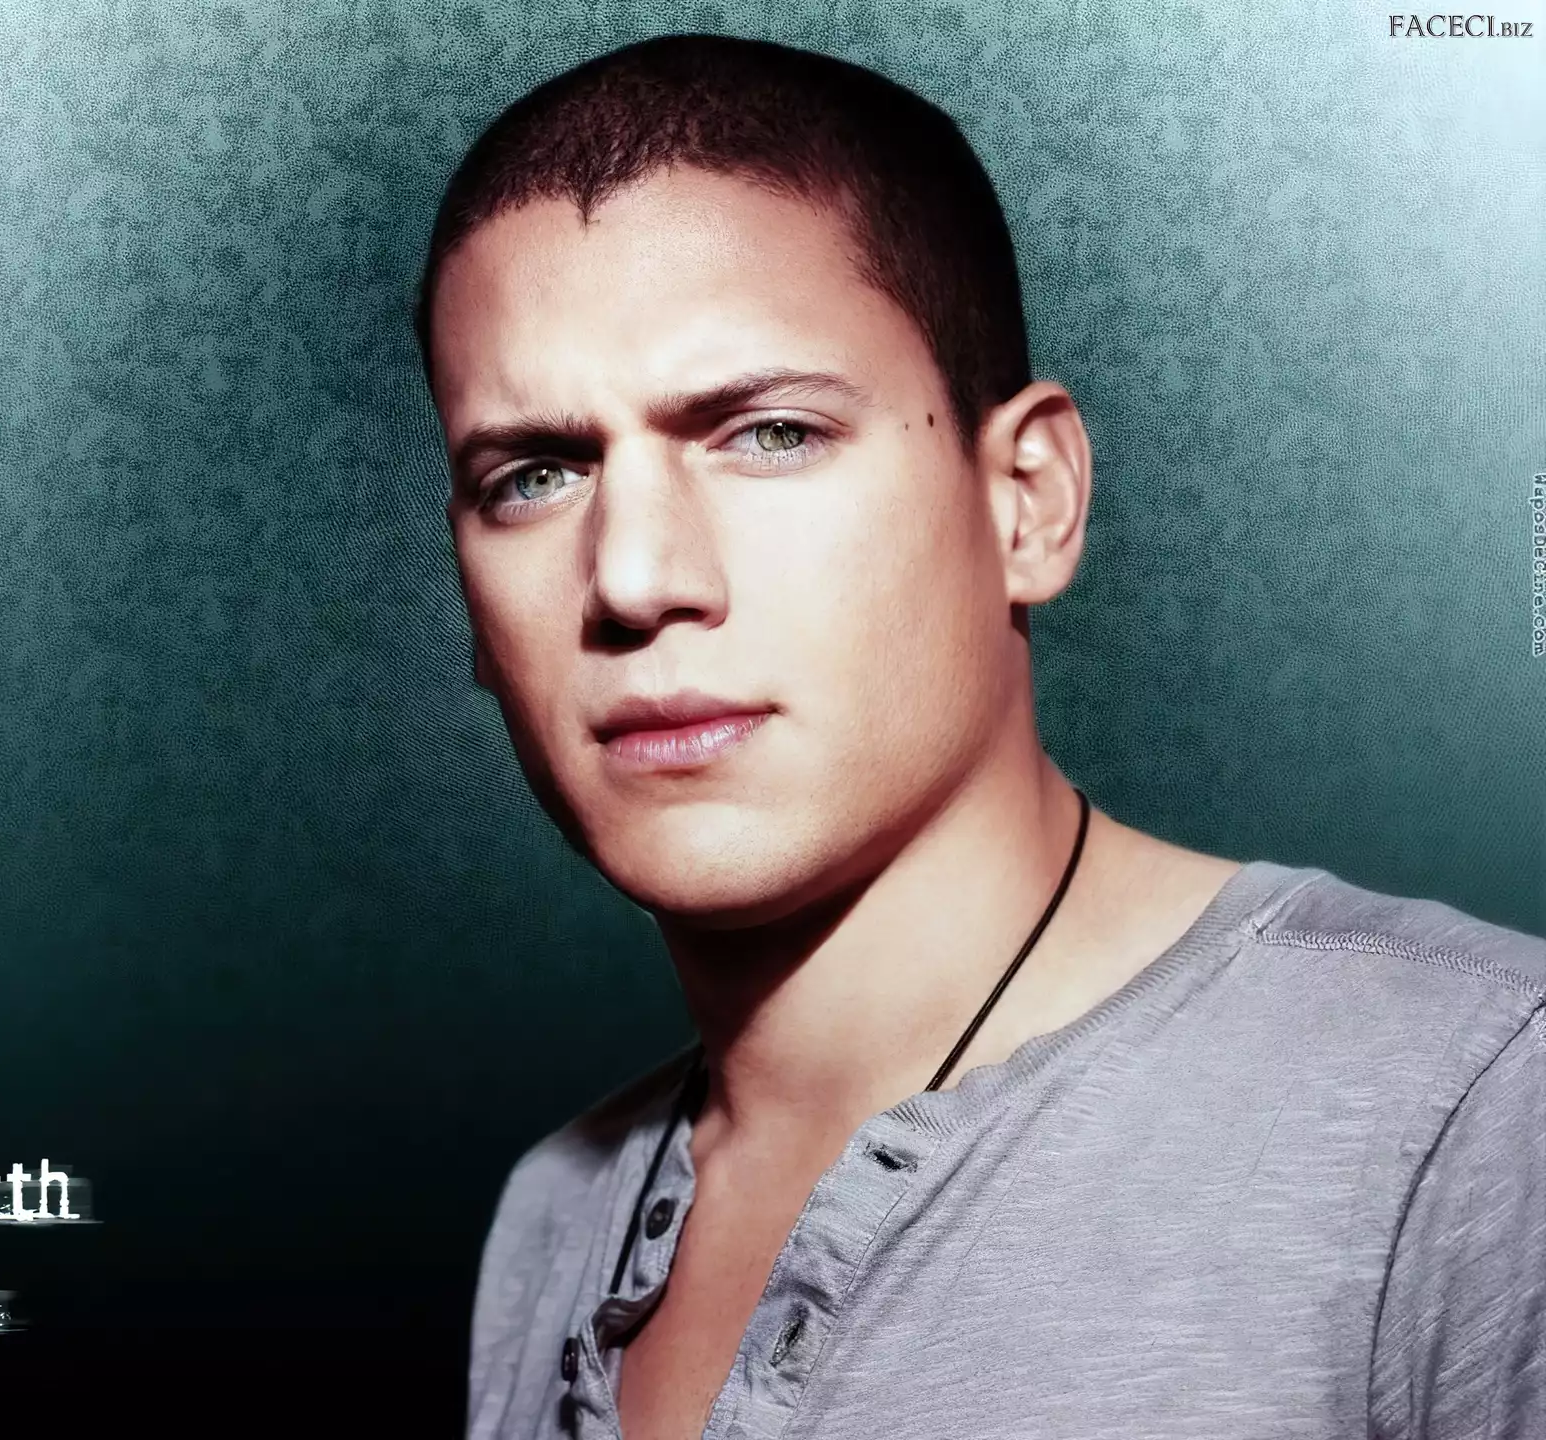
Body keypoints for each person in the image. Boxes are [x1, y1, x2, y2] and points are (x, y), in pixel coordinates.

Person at [411, 33, 1546, 1440]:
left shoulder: (1478, 1110)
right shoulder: (550, 1224)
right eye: (534, 475)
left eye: (770, 433)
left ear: (1027, 501)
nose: (635, 577)